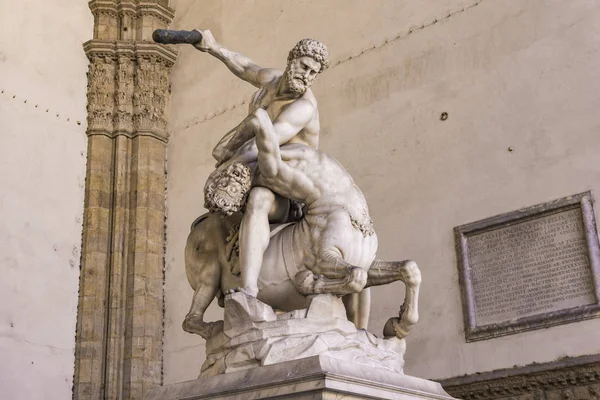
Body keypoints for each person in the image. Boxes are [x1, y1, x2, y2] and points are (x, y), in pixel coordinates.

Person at [193, 30, 329, 297]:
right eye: (304, 66)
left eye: (313, 73)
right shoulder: (272, 80)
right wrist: (213, 47)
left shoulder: (303, 107)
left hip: (288, 184)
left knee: (259, 200)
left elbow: (262, 144)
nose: (307, 75)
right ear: (292, 60)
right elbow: (245, 66)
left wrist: (227, 167)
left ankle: (250, 289)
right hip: (261, 168)